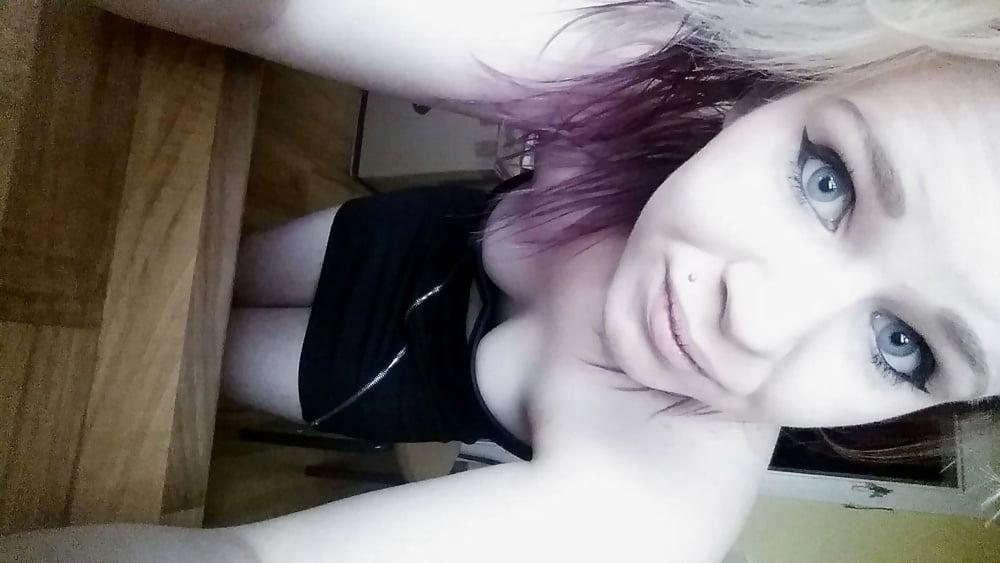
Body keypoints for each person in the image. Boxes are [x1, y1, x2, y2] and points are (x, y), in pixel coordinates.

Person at [4, 2, 1000, 561]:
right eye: (827, 179)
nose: (759, 320)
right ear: (778, 87)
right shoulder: (652, 74)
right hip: (388, 241)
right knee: (175, 273)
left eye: (903, 345)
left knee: (161, 355)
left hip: (368, 369)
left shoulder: (659, 500)